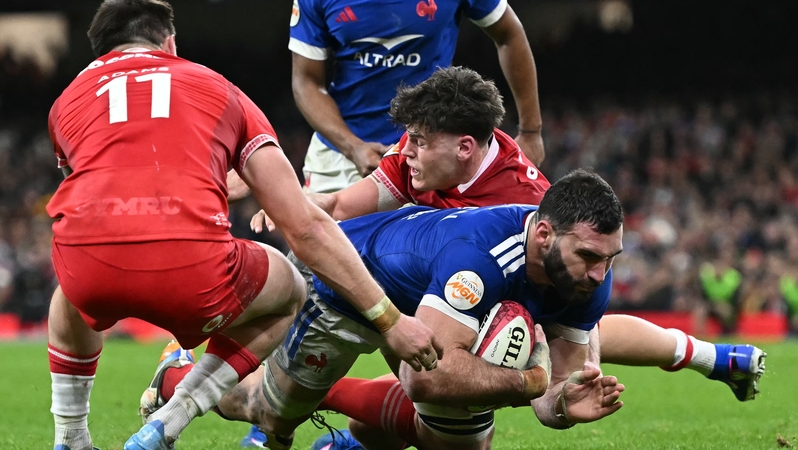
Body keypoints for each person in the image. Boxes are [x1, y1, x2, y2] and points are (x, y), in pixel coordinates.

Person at [241, 65, 766, 449]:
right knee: (435, 392)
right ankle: (717, 357)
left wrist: (559, 388)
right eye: (411, 140)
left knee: (471, 396)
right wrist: (287, 199)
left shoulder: (523, 206)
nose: (407, 151)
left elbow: (571, 325)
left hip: (489, 298)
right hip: (414, 281)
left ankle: (329, 412)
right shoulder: (421, 156)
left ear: (465, 147)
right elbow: (341, 206)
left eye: (419, 141)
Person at [44, 2, 441, 450]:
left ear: (99, 52)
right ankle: (170, 420)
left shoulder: (67, 101)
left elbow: (92, 199)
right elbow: (305, 227)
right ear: (170, 43)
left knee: (68, 294)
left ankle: (71, 437)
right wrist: (390, 321)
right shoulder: (217, 87)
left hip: (92, 270)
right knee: (290, 287)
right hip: (194, 272)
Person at [146, 169, 627, 450]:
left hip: (426, 310)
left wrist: (562, 405)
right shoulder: (480, 259)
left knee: (458, 446)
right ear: (543, 235)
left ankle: (351, 442)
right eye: (588, 256)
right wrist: (527, 384)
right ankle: (175, 374)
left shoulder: (589, 278)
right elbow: (426, 379)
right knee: (269, 416)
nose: (599, 274)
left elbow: (553, 390)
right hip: (348, 286)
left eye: (610, 259)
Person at [289, 0, 545, 194]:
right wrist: (352, 146)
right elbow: (306, 81)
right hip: (341, 153)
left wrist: (531, 132)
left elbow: (509, 33)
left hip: (435, 151)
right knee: (316, 245)